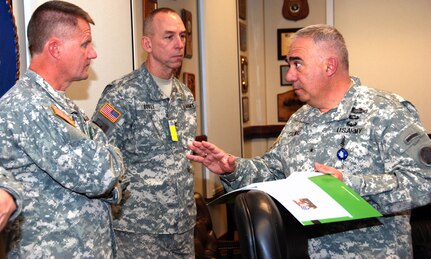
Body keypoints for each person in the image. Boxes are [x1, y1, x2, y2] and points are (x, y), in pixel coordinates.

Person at [187, 24, 431, 258]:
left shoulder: (386, 111)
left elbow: (424, 181)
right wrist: (232, 167)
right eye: (289, 64)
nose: (290, 74)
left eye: (297, 64)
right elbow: (273, 170)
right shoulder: (300, 118)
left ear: (329, 66)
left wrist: (348, 186)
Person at [0, 1, 126, 257]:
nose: (93, 54)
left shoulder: (60, 103)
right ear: (55, 48)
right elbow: (100, 174)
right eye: (85, 44)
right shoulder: (28, 105)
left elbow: (111, 171)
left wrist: (111, 170)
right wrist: (111, 168)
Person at [92, 8, 196, 258]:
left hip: (182, 227)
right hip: (138, 231)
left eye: (182, 36)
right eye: (169, 37)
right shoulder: (121, 95)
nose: (179, 44)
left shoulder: (185, 96)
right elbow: (98, 157)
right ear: (147, 44)